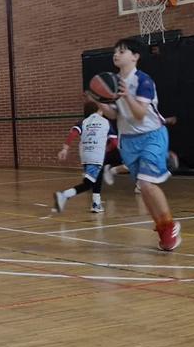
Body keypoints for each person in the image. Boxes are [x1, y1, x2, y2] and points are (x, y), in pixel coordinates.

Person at [96, 39, 181, 251]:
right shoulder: (113, 82)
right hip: (128, 141)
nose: (116, 54)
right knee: (144, 189)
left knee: (146, 183)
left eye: (122, 51)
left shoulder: (143, 80)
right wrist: (99, 103)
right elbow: (115, 114)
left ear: (135, 56)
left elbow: (140, 114)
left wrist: (126, 96)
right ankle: (162, 228)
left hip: (151, 135)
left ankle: (170, 225)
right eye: (115, 51)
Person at [52, 101, 113, 214]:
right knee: (88, 184)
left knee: (96, 177)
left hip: (85, 154)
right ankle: (64, 195)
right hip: (97, 155)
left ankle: (96, 204)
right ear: (98, 109)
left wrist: (65, 149)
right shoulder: (105, 122)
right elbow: (114, 142)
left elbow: (73, 133)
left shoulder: (83, 122)